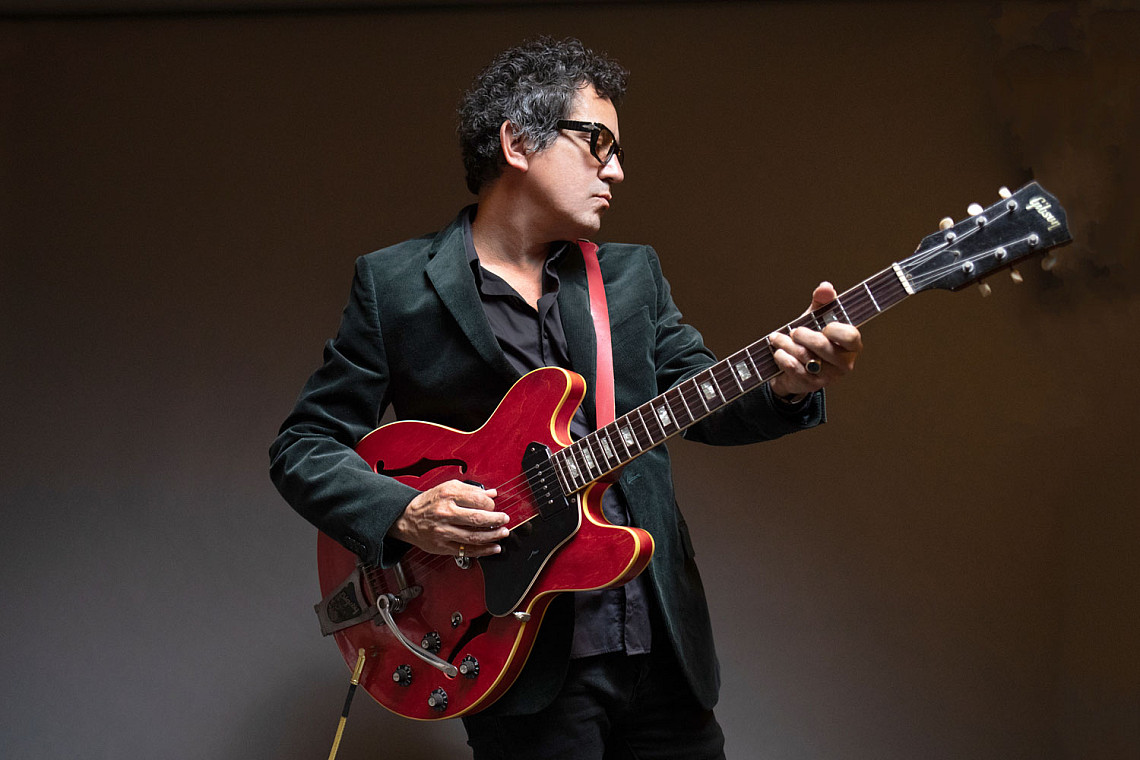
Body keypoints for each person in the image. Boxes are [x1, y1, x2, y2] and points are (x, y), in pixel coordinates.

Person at [270, 37, 862, 759]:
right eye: (597, 143)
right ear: (518, 143)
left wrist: (789, 385)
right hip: (515, 658)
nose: (617, 170)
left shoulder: (632, 277)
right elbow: (303, 446)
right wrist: (404, 514)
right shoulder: (394, 287)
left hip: (657, 642)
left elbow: (702, 399)